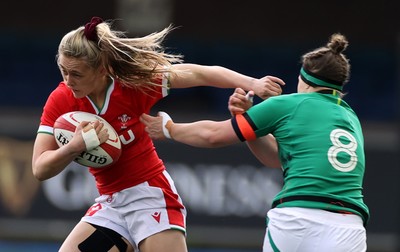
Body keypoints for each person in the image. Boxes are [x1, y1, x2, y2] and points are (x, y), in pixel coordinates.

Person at [31, 16, 284, 252]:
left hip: (151, 197)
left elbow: (199, 73)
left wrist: (253, 84)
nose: (68, 79)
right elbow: (40, 169)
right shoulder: (62, 99)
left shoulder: (133, 84)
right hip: (111, 205)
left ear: (101, 70)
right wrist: (73, 146)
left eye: (76, 73)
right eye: (63, 70)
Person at [140, 33, 369, 251]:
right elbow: (275, 158)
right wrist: (247, 120)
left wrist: (169, 129)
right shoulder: (351, 118)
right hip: (348, 225)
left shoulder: (290, 104)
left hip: (297, 218)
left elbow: (213, 135)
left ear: (304, 80)